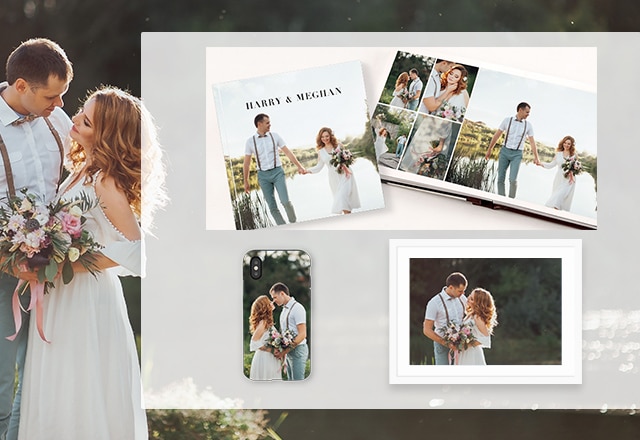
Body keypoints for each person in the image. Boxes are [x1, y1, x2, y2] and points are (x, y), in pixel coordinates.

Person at [17, 86, 167, 439]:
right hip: (61, 296)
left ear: (106, 134)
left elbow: (136, 250)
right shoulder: (83, 171)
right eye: (83, 111)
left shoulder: (105, 181)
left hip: (85, 299)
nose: (78, 118)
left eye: (88, 120)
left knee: (78, 385)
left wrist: (66, 263)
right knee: (57, 385)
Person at [0, 38, 73, 440]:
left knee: (38, 377)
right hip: (1, 273)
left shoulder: (57, 120)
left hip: (55, 269)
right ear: (22, 86)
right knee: (1, 381)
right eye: (53, 95)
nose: (61, 104)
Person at [243, 113, 306, 225]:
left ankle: (294, 223)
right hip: (263, 176)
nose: (270, 125)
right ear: (259, 124)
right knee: (272, 207)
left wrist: (299, 166)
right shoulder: (250, 141)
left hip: (277, 172)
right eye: (267, 123)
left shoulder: (275, 136)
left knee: (285, 201)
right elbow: (246, 163)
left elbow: (287, 152)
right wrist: (246, 181)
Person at [484, 102, 540, 198]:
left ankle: (511, 201)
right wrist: (489, 149)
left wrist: (536, 157)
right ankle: (501, 199)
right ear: (520, 110)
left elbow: (532, 142)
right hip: (504, 152)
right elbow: (497, 135)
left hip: (517, 154)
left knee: (513, 179)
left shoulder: (528, 125)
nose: (528, 114)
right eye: (527, 112)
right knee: (500, 178)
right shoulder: (507, 120)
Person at [306, 127, 360, 215]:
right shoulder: (321, 151)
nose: (325, 139)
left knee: (343, 197)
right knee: (343, 203)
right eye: (322, 137)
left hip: (345, 174)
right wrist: (307, 171)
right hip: (334, 178)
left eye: (327, 136)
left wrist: (346, 160)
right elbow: (319, 167)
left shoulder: (338, 145)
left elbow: (348, 157)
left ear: (330, 136)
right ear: (320, 138)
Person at [423, 272, 468, 365]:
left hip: (460, 344)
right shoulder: (434, 302)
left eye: (464, 291)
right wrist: (446, 343)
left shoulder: (462, 298)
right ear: (451, 287)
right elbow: (426, 330)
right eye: (460, 291)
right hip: (442, 345)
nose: (463, 293)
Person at [269, 282, 308, 380]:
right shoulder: (284, 310)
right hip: (289, 352)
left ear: (282, 293)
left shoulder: (297, 308)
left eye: (274, 297)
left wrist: (284, 351)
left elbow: (302, 334)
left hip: (298, 350)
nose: (273, 301)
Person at [537, 135, 579, 211]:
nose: (566, 145)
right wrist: (541, 163)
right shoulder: (558, 154)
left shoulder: (573, 155)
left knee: (559, 197)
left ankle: (555, 213)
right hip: (559, 178)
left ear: (571, 145)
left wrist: (573, 175)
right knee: (556, 196)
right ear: (562, 143)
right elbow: (551, 165)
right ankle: (553, 213)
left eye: (569, 144)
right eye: (565, 143)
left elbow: (575, 168)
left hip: (569, 179)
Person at [457, 288, 498, 366]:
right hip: (464, 352)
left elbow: (486, 339)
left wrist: (467, 344)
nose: (468, 299)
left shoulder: (477, 317)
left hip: (472, 353)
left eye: (472, 299)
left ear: (478, 303)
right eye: (470, 295)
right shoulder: (470, 315)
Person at [248, 295, 282, 380]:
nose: (272, 302)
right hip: (265, 359)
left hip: (271, 358)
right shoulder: (263, 323)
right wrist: (271, 350)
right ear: (265, 306)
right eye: (269, 302)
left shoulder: (267, 322)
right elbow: (254, 343)